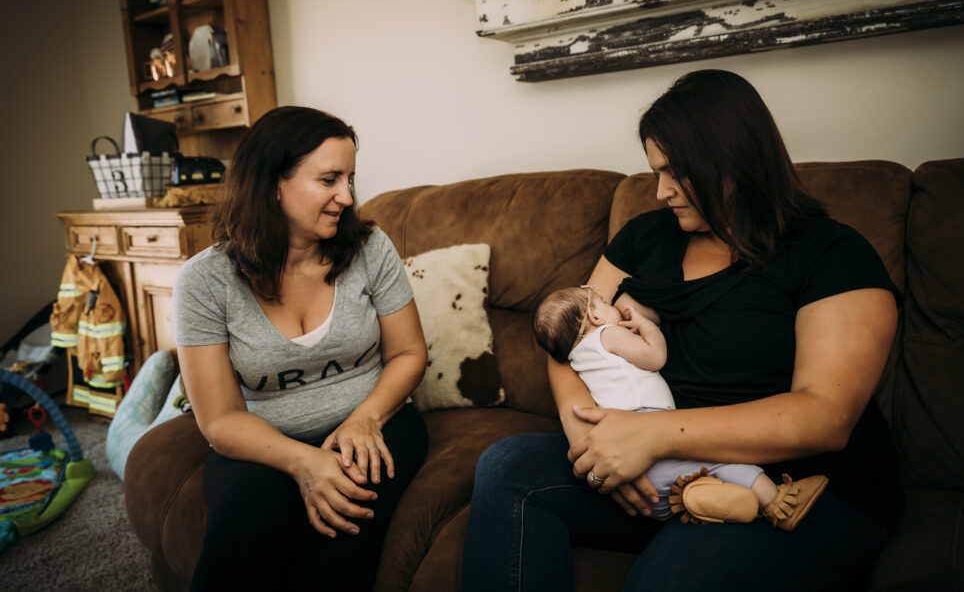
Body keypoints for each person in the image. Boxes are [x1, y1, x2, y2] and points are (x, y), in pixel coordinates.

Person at [463, 70, 901, 591]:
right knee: (507, 467)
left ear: (734, 160)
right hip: (661, 468)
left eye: (676, 173)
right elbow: (569, 342)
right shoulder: (644, 238)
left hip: (787, 483)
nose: (661, 191)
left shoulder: (831, 254)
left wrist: (650, 437)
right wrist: (593, 444)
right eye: (656, 172)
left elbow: (826, 416)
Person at [173, 106, 429, 591]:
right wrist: (304, 462)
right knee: (244, 528)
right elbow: (220, 420)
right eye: (329, 180)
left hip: (376, 423)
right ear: (272, 183)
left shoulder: (370, 248)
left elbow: (409, 353)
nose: (346, 197)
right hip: (262, 440)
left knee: (343, 530)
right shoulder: (204, 281)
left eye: (350, 179)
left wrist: (364, 419)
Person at [532, 285, 827, 526]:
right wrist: (645, 325)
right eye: (605, 303)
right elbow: (654, 357)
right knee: (722, 461)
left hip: (632, 471)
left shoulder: (576, 358)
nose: (613, 308)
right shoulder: (607, 334)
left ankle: (699, 496)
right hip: (643, 425)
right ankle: (776, 501)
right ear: (594, 315)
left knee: (689, 476)